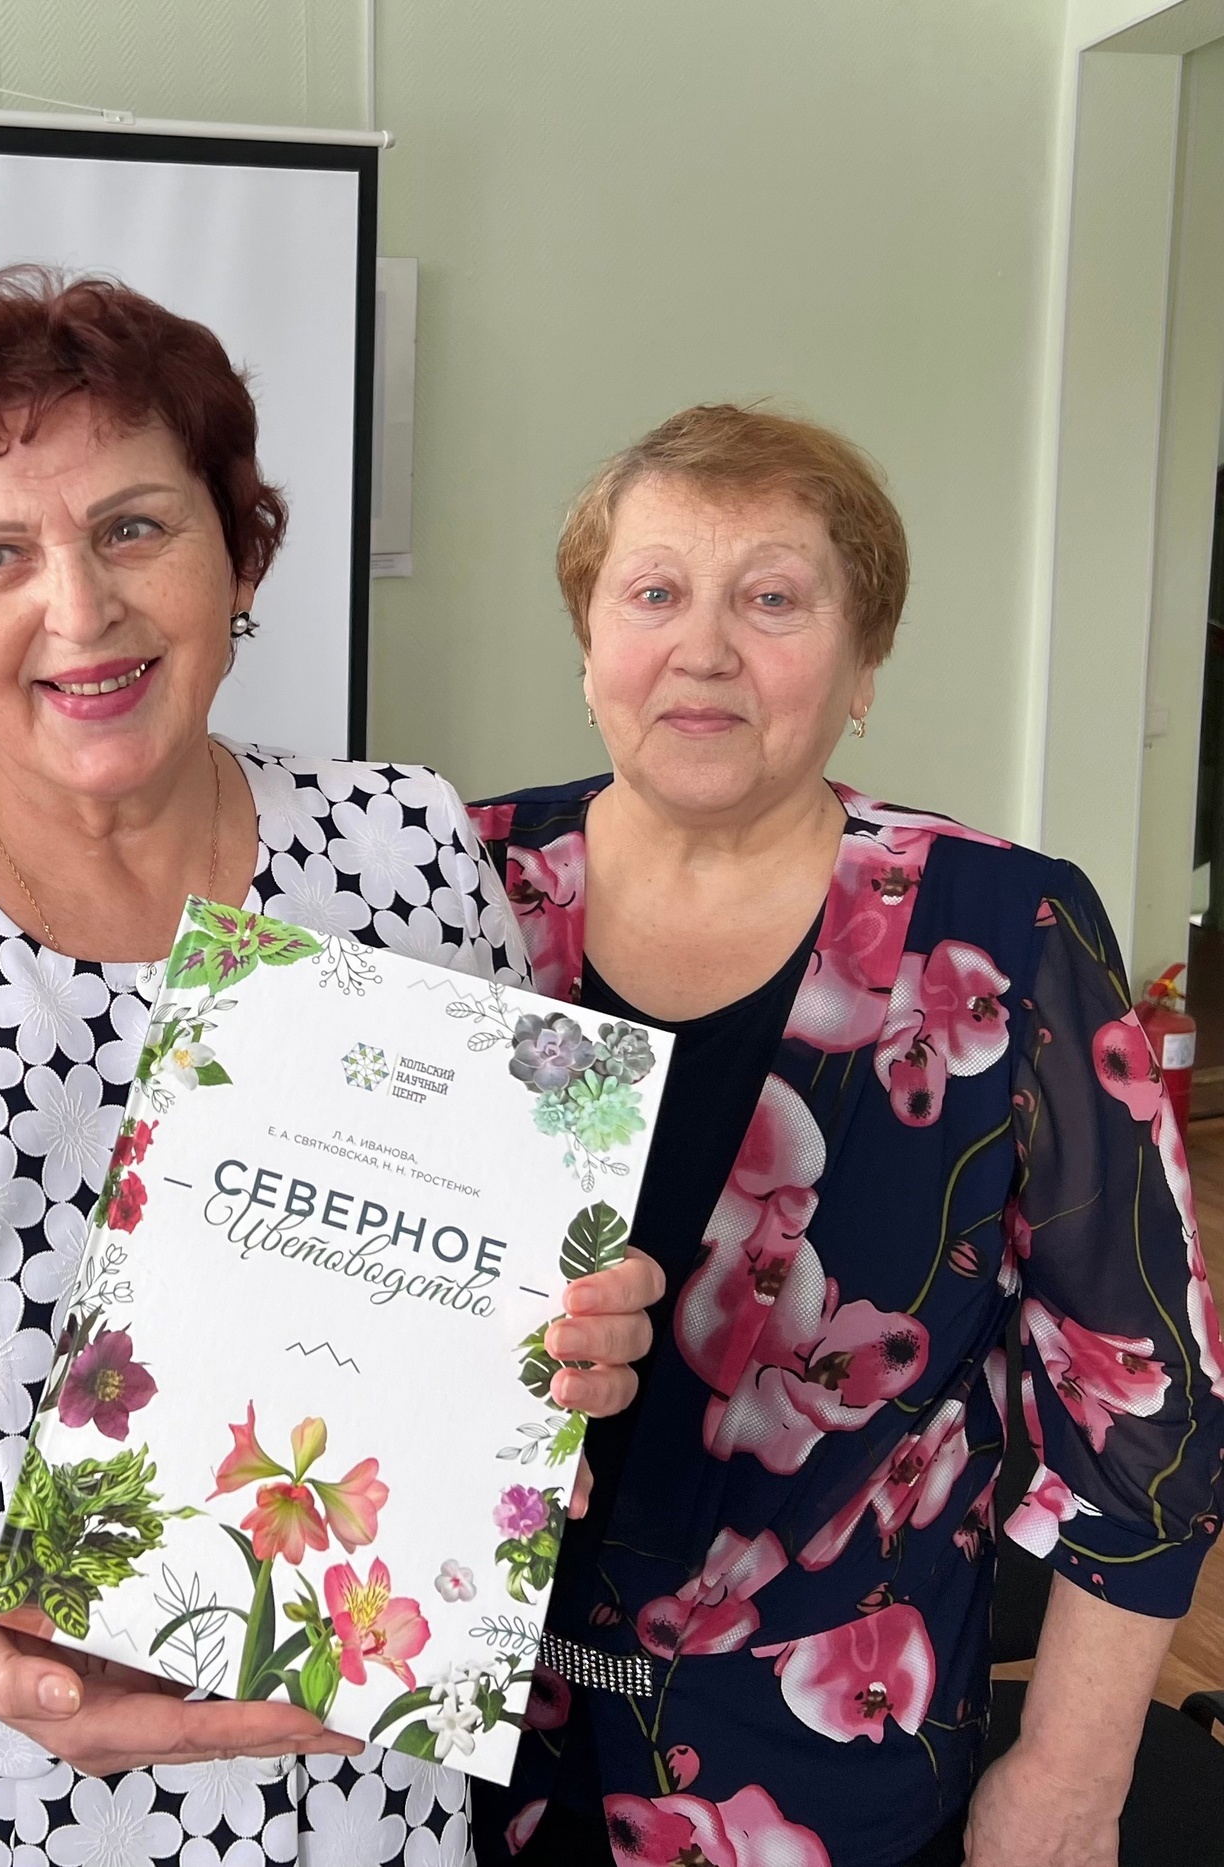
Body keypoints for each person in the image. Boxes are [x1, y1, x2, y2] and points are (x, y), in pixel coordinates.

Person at [0, 268, 666, 1863]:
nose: (81, 608)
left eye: (133, 528)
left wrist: (569, 1341)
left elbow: (493, 1300)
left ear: (239, 553)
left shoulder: (405, 851)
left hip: (355, 1813)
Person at [463, 405, 1224, 1867]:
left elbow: (1145, 1406)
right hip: (431, 1746)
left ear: (864, 665)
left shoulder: (1006, 931)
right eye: (653, 592)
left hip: (816, 1776)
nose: (703, 650)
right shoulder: (455, 881)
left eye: (772, 600)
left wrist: (1070, 1779)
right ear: (588, 643)